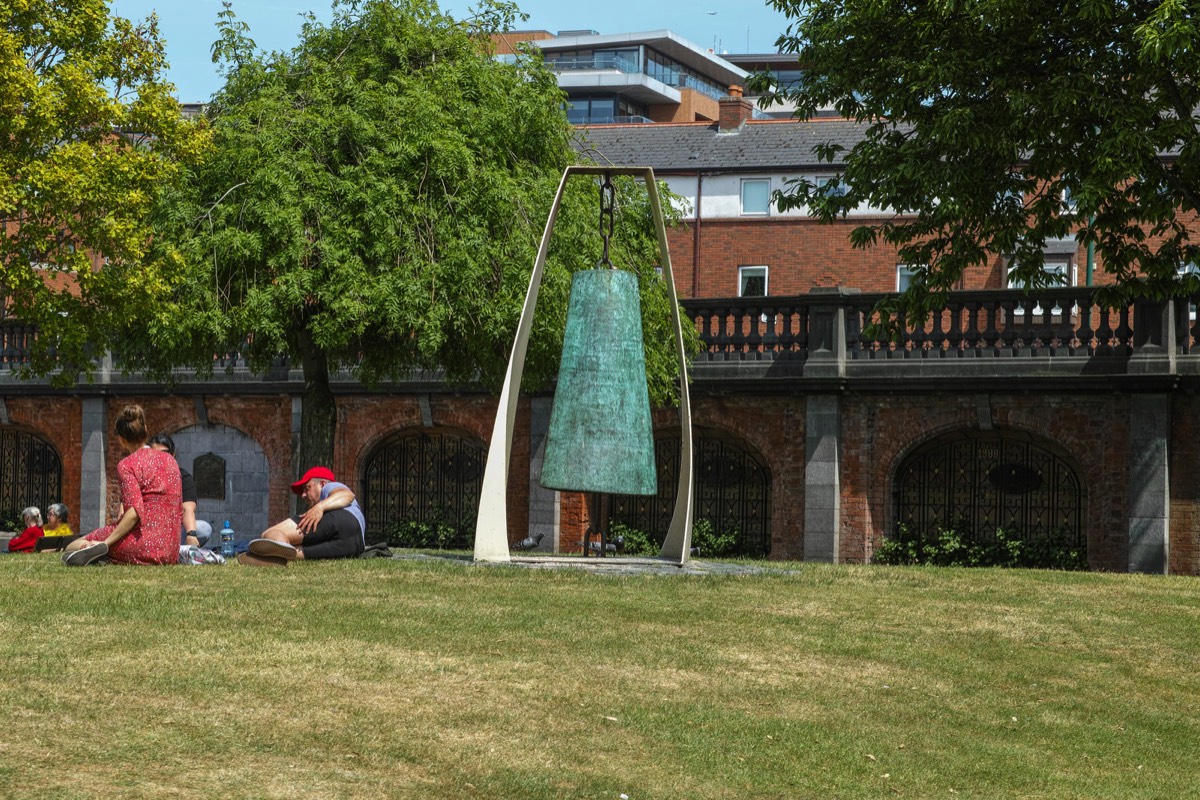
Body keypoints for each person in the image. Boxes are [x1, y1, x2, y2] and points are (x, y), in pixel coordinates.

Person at [61, 405, 182, 566]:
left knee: (71, 546)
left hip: (143, 545)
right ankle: (100, 554)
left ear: (121, 439)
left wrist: (107, 542)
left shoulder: (128, 465)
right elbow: (178, 509)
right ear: (145, 429)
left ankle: (97, 550)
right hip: (171, 549)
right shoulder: (171, 461)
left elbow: (133, 513)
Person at [240, 466, 365, 567]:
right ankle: (276, 558)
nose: (303, 495)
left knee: (270, 533)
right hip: (354, 545)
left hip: (343, 519)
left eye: (307, 488)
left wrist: (319, 507)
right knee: (299, 551)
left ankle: (273, 550)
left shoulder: (330, 487)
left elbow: (347, 495)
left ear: (321, 483)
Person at [148, 433, 203, 546]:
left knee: (203, 528)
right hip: (147, 528)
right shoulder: (144, 476)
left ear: (173, 454)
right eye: (155, 454)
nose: (160, 458)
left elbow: (187, 509)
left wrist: (191, 534)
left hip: (172, 528)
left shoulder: (182, 477)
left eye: (164, 453)